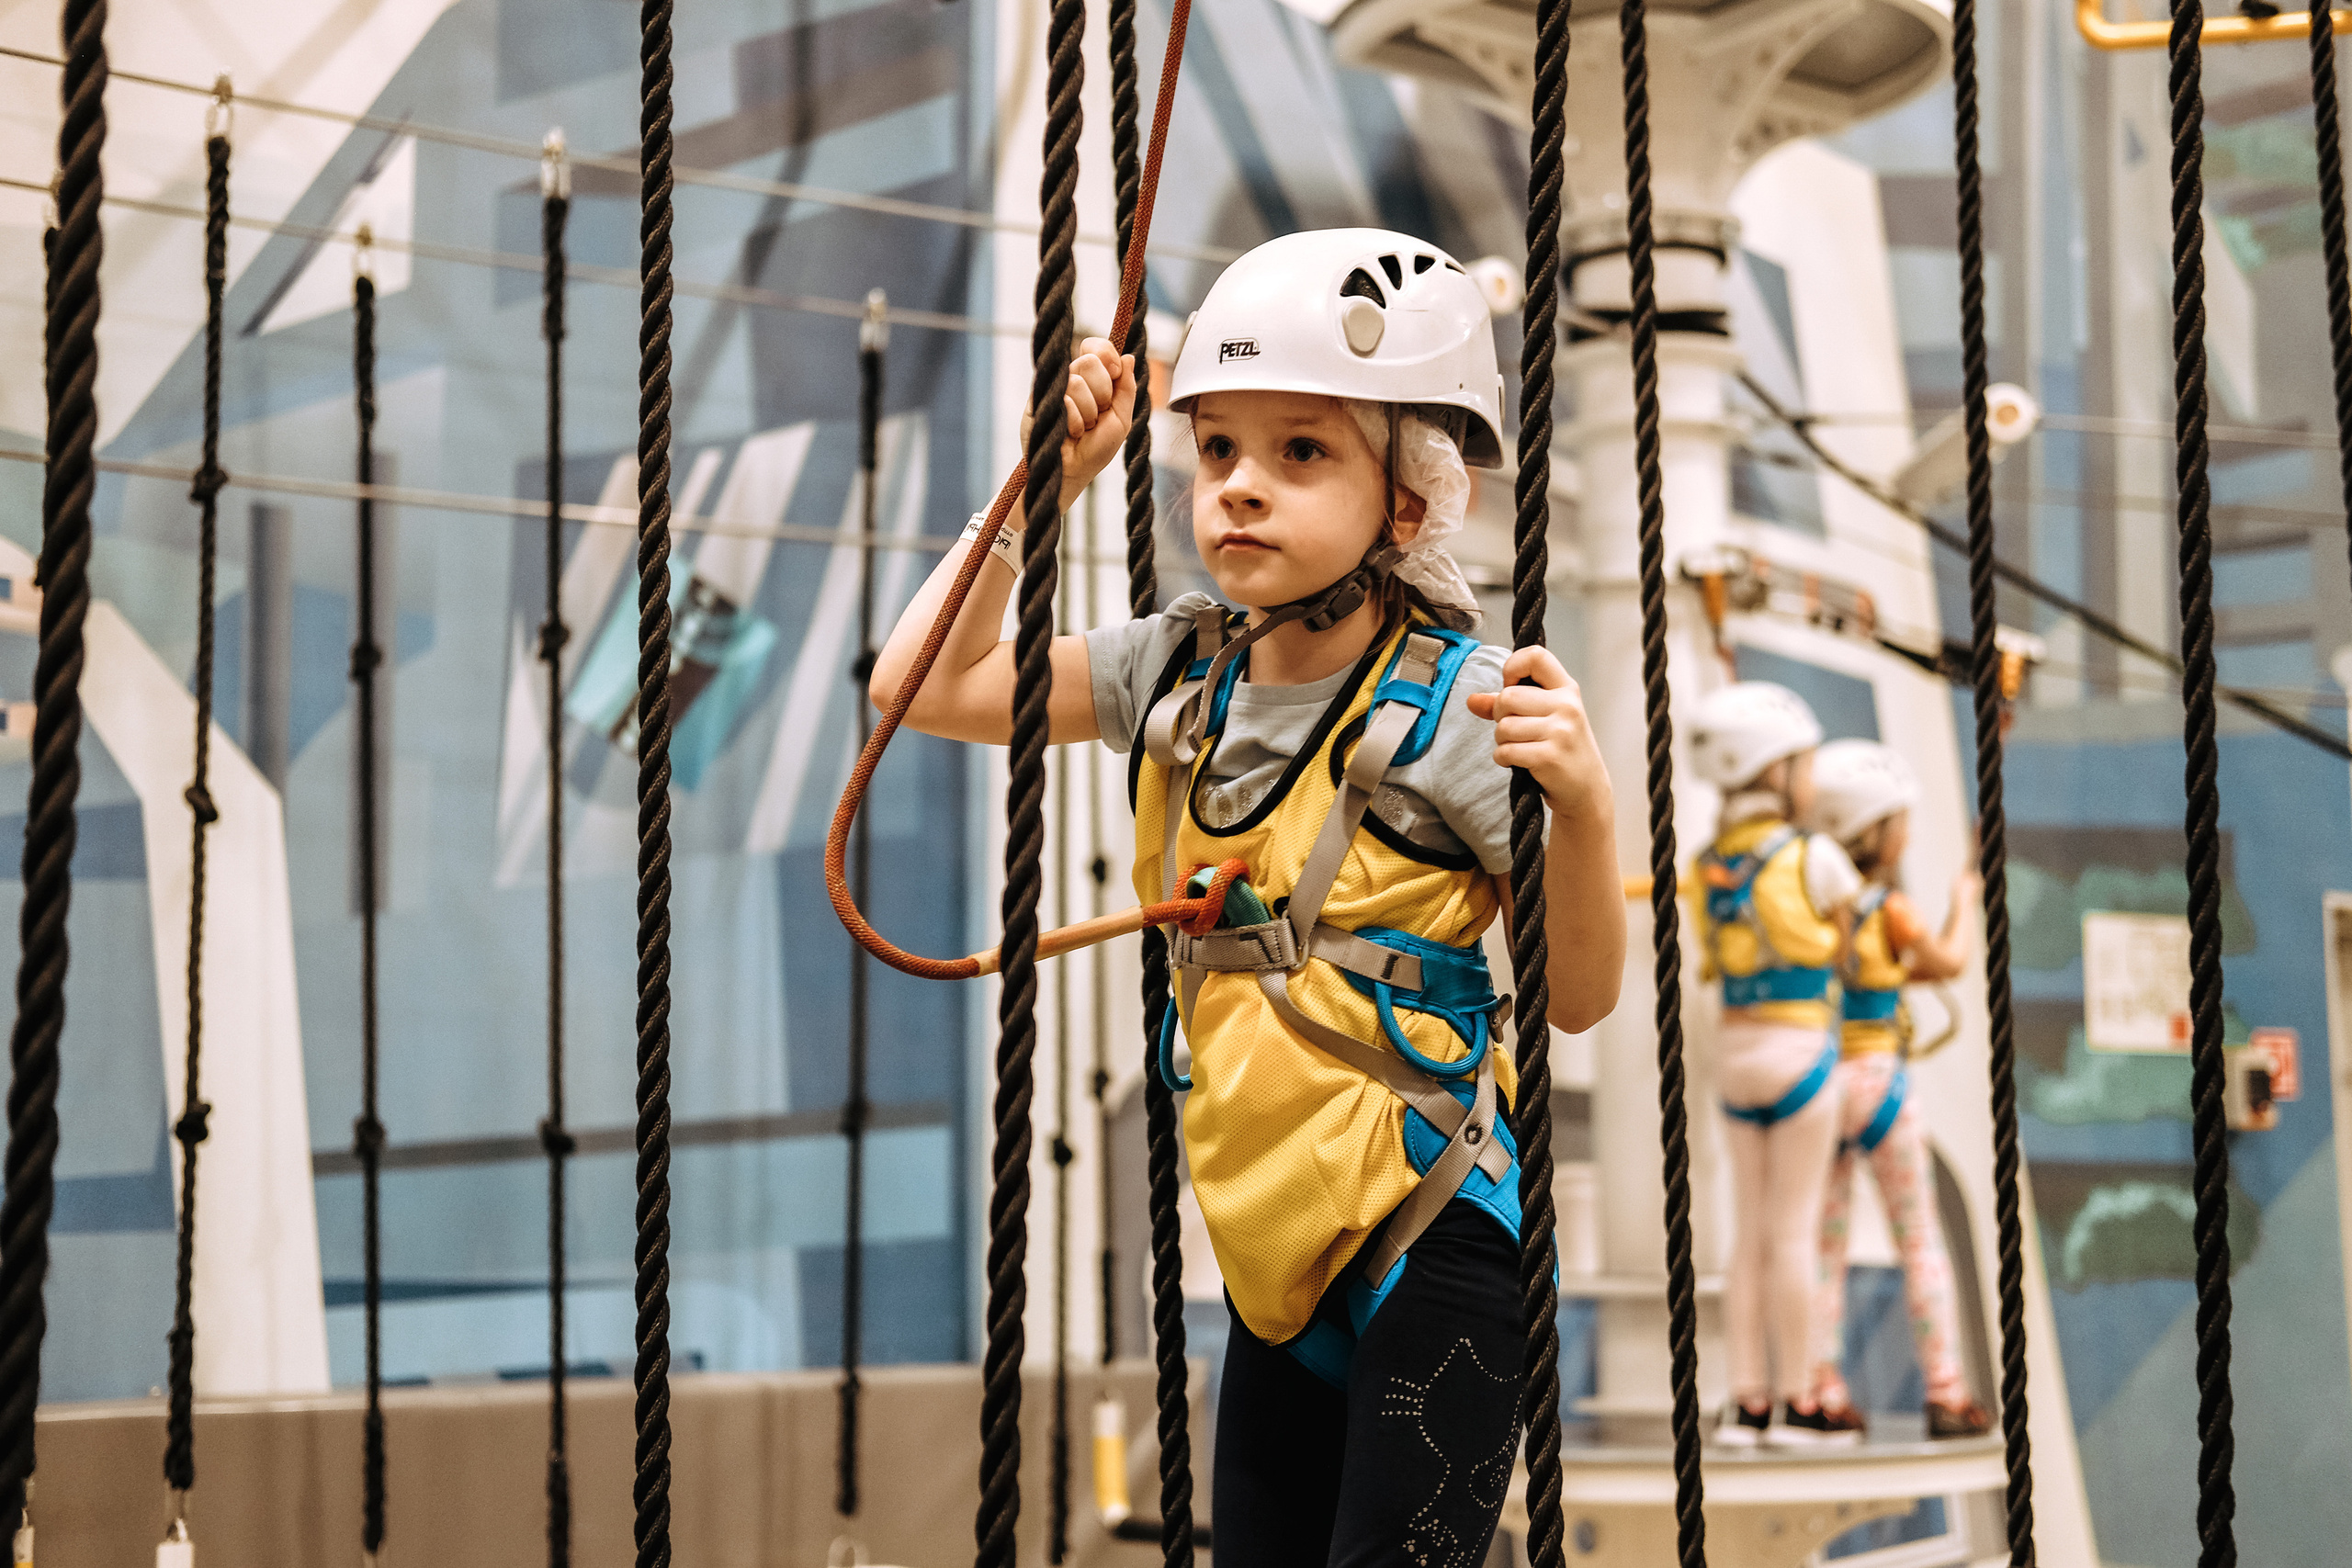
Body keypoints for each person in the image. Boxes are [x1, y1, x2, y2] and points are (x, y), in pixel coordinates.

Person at [868, 228, 1626, 1566]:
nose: (1240, 489)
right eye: (1216, 450)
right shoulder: (1176, 670)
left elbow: (1579, 995)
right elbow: (917, 686)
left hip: (1433, 1238)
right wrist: (1035, 489)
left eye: (1301, 451)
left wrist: (1584, 805)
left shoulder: (1464, 701)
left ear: (1409, 504)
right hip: (1270, 1277)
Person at [1687, 682, 1865, 1449]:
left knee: (1746, 1233)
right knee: (1793, 1234)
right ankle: (1799, 1402)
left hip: (1736, 1057)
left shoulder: (1705, 863)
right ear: (1777, 770)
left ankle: (1745, 1399)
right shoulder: (1814, 855)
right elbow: (1858, 948)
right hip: (1799, 1053)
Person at [1804, 739, 1994, 1440]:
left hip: (1826, 1081)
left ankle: (1822, 1389)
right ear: (1876, 828)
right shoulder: (1891, 908)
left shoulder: (1822, 903)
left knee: (1824, 1246)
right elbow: (1948, 961)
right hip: (1882, 1081)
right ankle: (1946, 1391)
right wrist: (1963, 902)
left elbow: (1865, 977)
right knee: (1919, 1239)